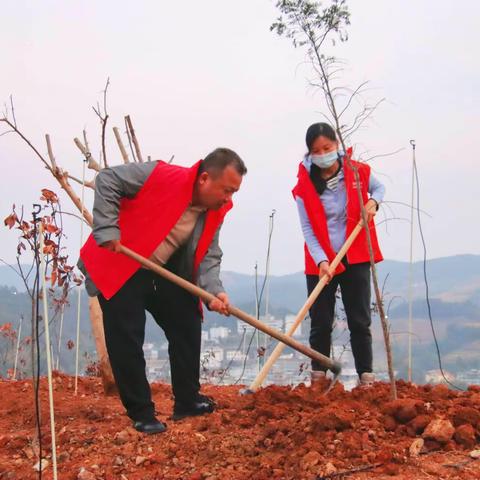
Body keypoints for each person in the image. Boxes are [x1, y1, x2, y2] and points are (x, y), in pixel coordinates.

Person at [78, 148, 247, 434]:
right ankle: (142, 412)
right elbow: (108, 179)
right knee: (127, 336)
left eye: (234, 192)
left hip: (161, 271)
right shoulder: (161, 176)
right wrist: (107, 230)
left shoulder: (214, 211)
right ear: (205, 178)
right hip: (120, 261)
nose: (228, 198)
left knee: (186, 321)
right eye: (226, 190)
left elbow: (208, 255)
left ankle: (187, 400)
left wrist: (213, 291)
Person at [292, 123, 385, 386]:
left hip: (354, 254)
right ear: (309, 154)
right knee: (321, 320)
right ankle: (318, 377)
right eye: (316, 151)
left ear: (336, 145)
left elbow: (379, 189)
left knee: (359, 319)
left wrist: (372, 202)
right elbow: (308, 229)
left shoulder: (357, 172)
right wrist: (322, 260)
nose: (323, 154)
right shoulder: (304, 187)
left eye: (327, 148)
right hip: (320, 259)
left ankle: (366, 378)